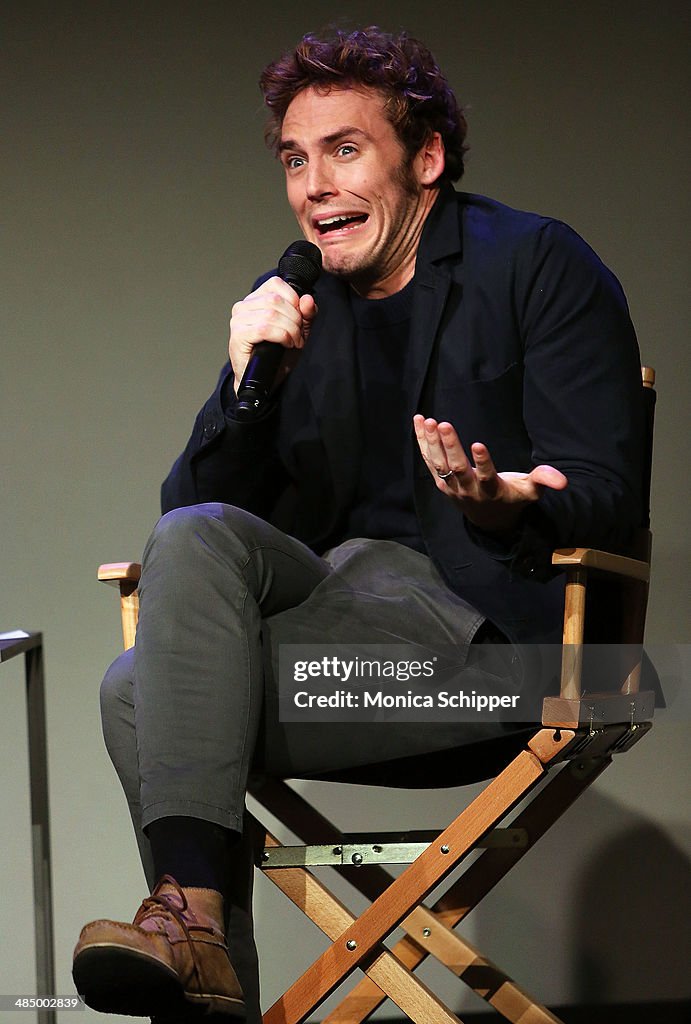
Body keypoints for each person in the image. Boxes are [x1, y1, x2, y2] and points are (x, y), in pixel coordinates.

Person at [72, 25, 645, 1024]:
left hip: (491, 658)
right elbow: (191, 534)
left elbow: (608, 491)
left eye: (344, 149)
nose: (313, 185)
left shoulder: (535, 263)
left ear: (423, 159)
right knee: (162, 616)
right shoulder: (298, 308)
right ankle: (200, 934)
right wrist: (248, 388)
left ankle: (194, 945)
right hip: (348, 635)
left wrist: (512, 500)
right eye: (296, 159)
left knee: (139, 692)